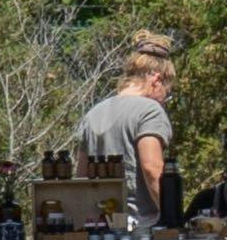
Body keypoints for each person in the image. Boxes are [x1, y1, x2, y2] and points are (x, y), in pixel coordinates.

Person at [70, 39, 179, 223]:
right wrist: (175, 219)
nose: (164, 99)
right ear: (156, 80)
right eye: (167, 93)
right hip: (141, 226)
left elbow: (81, 178)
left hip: (100, 227)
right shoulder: (149, 111)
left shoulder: (94, 113)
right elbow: (152, 170)